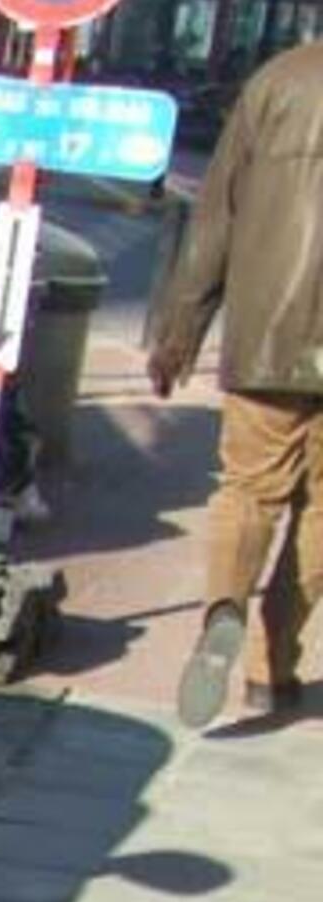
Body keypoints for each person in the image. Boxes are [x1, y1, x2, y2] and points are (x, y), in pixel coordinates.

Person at [150, 39, 323, 725]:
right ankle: (273, 662)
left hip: (268, 336)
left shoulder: (276, 82)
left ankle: (223, 607)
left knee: (249, 489)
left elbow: (215, 220)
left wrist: (178, 334)